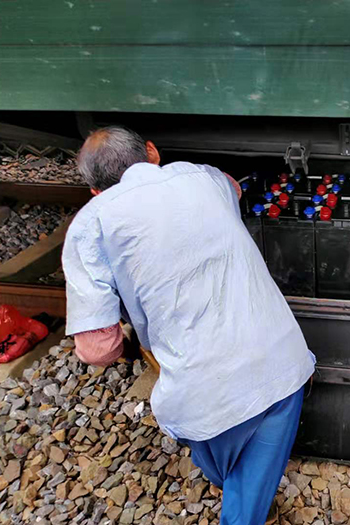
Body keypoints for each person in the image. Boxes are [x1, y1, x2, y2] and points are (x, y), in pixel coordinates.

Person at [62, 125, 315, 524]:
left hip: (200, 396)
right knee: (246, 476)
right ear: (152, 151)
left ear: (95, 191)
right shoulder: (205, 176)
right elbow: (234, 188)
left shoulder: (90, 223)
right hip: (281, 365)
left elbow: (97, 349)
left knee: (226, 470)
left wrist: (130, 339)